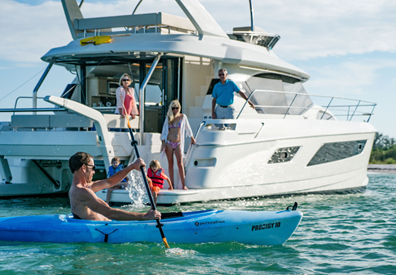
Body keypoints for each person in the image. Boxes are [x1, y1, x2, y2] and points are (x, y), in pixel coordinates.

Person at [68, 152, 161, 221]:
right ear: (84, 168)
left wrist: (132, 167)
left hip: (108, 225)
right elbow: (109, 213)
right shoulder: (81, 192)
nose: (94, 172)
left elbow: (109, 182)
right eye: (92, 168)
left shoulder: (85, 187)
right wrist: (144, 216)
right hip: (105, 231)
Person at [160, 100, 195, 190]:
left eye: (177, 108)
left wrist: (192, 138)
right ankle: (172, 185)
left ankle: (183, 185)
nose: (175, 110)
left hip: (178, 142)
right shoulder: (169, 118)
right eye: (173, 108)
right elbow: (164, 131)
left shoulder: (183, 117)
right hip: (169, 143)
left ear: (179, 108)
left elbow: (188, 127)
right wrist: (163, 143)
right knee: (170, 164)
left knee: (180, 164)